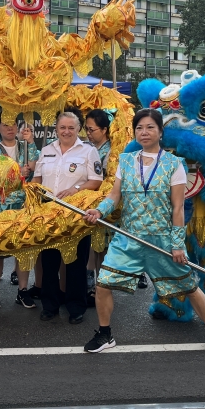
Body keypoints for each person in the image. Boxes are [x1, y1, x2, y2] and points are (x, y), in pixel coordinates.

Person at [82, 108, 205, 356]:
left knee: (190, 286)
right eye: (139, 127)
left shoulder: (174, 164)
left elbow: (178, 207)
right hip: (128, 238)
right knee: (103, 284)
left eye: (150, 127)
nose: (144, 132)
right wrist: (99, 211)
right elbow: (114, 196)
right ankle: (105, 333)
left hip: (162, 241)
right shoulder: (126, 162)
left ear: (160, 132)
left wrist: (177, 244)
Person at [31, 111, 103, 324]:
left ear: (78, 129)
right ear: (56, 129)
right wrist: (31, 188)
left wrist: (75, 189)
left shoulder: (89, 152)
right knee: (50, 262)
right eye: (62, 127)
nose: (66, 131)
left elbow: (96, 180)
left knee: (76, 262)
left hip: (76, 216)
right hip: (49, 214)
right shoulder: (46, 150)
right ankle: (50, 305)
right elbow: (37, 177)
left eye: (71, 127)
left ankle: (75, 307)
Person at [0, 111, 39, 310]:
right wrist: (16, 170)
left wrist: (30, 141)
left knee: (23, 249)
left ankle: (23, 290)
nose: (10, 128)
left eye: (13, 124)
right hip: (0, 204)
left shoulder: (25, 146)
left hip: (22, 204)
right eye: (5, 125)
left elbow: (34, 165)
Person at [84, 109, 122, 293]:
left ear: (104, 129)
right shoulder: (87, 148)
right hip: (86, 202)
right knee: (91, 246)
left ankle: (102, 286)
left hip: (104, 203)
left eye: (92, 130)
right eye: (87, 130)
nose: (88, 134)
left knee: (103, 247)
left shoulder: (112, 151)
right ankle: (91, 280)